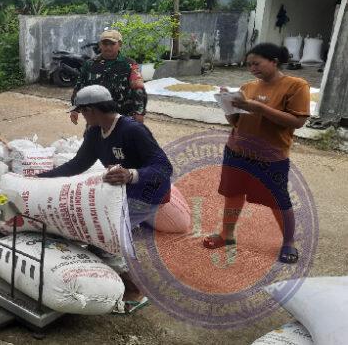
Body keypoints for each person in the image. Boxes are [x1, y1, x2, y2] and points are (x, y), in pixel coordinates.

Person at [38, 84, 172, 313]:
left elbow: (164, 168)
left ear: (91, 110)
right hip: (121, 192)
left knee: (108, 236)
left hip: (147, 193)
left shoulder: (132, 130)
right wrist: (41, 178)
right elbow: (78, 164)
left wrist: (132, 175)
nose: (80, 117)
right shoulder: (94, 133)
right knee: (95, 231)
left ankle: (135, 291)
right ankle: (113, 277)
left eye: (81, 112)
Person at [203, 43, 311, 264]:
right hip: (236, 151)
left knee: (278, 200)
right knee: (233, 194)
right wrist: (227, 106)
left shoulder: (296, 85)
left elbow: (298, 122)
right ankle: (226, 235)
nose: (252, 68)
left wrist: (258, 108)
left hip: (270, 157)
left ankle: (288, 242)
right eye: (249, 64)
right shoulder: (248, 87)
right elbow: (236, 121)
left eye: (257, 63)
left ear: (273, 61)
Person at [70, 29, 147, 126]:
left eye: (112, 44)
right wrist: (75, 109)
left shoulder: (129, 65)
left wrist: (139, 112)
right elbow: (80, 87)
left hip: (122, 118)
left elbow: (138, 89)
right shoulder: (90, 65)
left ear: (120, 45)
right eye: (105, 44)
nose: (108, 47)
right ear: (100, 45)